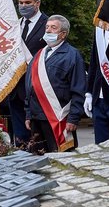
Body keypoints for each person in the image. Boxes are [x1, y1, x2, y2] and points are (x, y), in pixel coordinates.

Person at [24, 15, 86, 153]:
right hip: (36, 118)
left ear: (63, 34)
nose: (48, 30)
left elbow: (78, 90)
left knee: (61, 162)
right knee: (38, 161)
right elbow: (29, 86)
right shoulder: (38, 55)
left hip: (59, 119)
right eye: (47, 27)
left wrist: (74, 118)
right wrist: (28, 114)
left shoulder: (72, 55)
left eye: (53, 28)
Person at [10, 0, 47, 146]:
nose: (23, 6)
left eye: (27, 2)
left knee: (38, 137)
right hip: (16, 88)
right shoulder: (14, 26)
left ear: (37, 3)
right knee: (20, 138)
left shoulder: (49, 24)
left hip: (37, 87)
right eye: (20, 2)